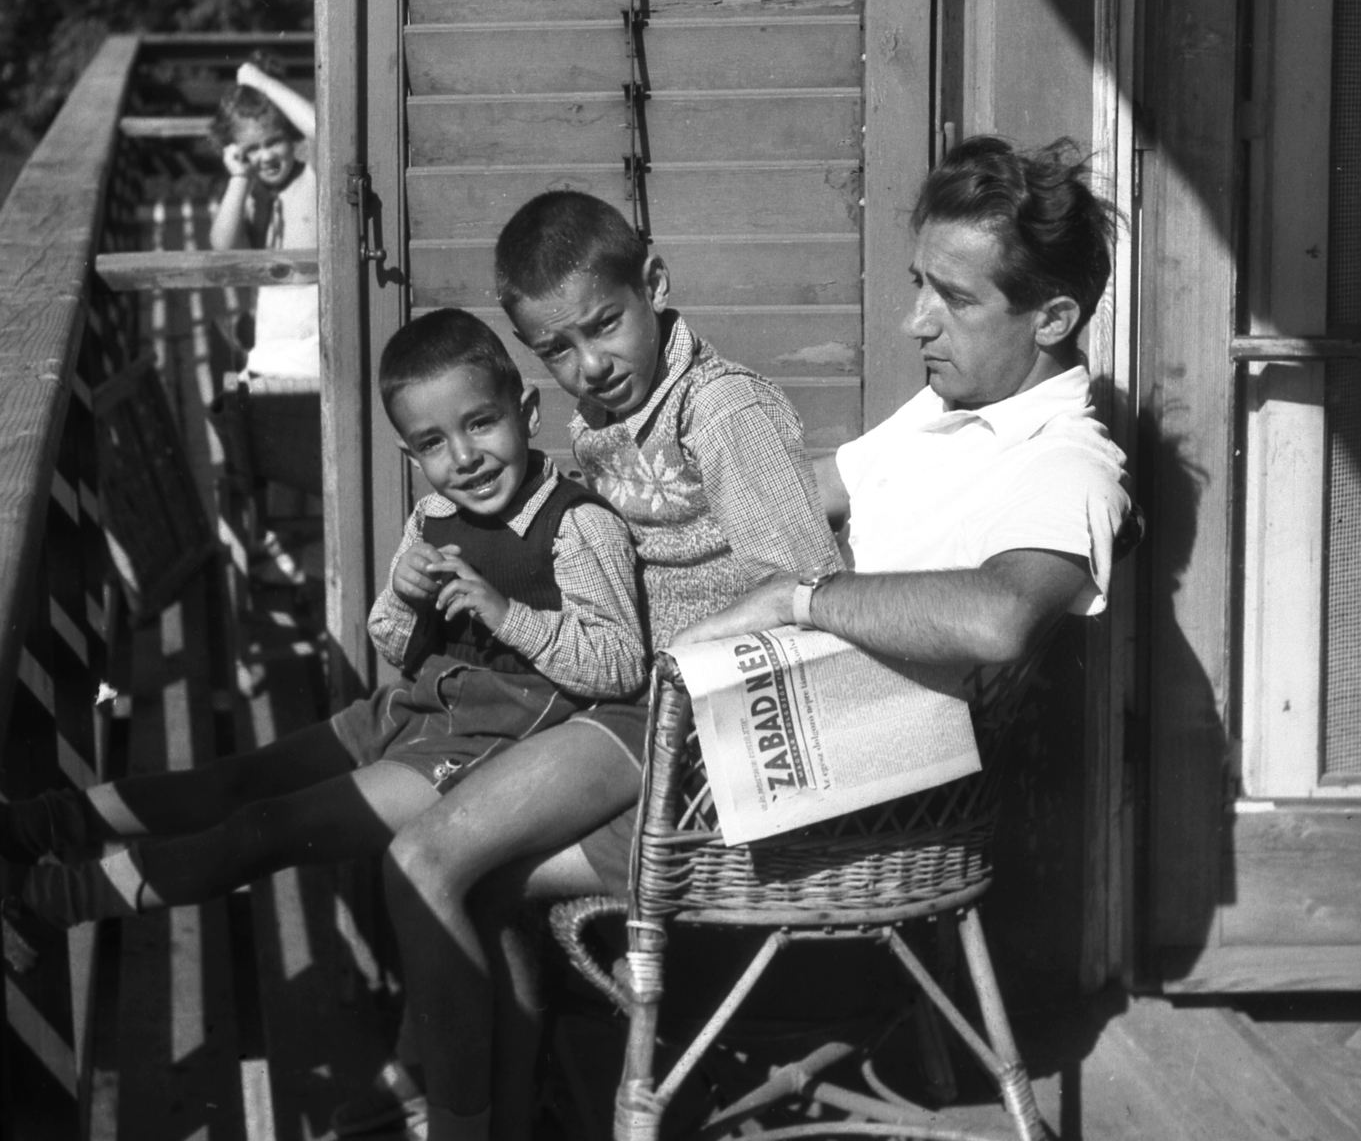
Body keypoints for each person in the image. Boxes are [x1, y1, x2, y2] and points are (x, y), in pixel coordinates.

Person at [361, 190, 843, 1141]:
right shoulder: (597, 420)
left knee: (429, 859)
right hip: (629, 710)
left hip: (710, 743)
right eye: (556, 350)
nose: (589, 366)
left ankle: (463, 1110)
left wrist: (682, 670)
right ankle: (498, 1104)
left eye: (604, 327)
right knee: (453, 860)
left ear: (654, 285)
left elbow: (811, 589)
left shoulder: (724, 412)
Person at [0, 311, 645, 967]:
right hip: (410, 714)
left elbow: (619, 665)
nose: (464, 457)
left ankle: (49, 900)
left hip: (491, 744)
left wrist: (506, 614)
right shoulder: (435, 515)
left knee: (268, 829)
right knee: (239, 779)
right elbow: (395, 645)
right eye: (433, 443)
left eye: (480, 423)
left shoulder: (576, 525)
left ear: (526, 411)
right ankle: (32, 825)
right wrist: (403, 594)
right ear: (411, 455)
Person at [673, 134, 1133, 673]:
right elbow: (805, 493)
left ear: (1052, 319)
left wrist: (796, 598)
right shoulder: (951, 402)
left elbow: (1000, 620)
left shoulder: (1067, 464)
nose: (915, 322)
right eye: (921, 285)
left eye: (956, 299)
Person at [208, 56, 320, 379]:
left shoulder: (312, 176)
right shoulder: (246, 194)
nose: (266, 156)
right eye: (252, 149)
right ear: (236, 152)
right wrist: (240, 178)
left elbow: (320, 128)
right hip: (273, 328)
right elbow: (224, 247)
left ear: (290, 139)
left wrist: (264, 83)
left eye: (274, 142)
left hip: (315, 324)